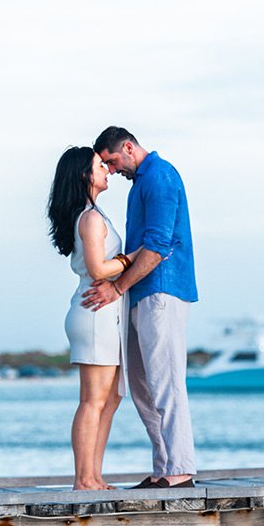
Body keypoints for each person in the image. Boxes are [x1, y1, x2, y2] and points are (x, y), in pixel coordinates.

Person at [82, 127, 198, 489]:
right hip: (141, 292)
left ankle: (180, 470)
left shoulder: (160, 177)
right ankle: (165, 467)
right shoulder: (141, 184)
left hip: (162, 291)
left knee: (166, 381)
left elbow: (158, 246)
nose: (112, 170)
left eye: (113, 161)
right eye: (106, 165)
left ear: (129, 147)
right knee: (143, 386)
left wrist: (117, 287)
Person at [47, 146, 141, 490]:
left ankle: (94, 475)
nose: (106, 169)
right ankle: (83, 479)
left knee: (111, 398)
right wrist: (132, 258)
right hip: (94, 314)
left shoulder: (94, 213)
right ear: (85, 175)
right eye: (99, 165)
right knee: (93, 399)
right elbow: (98, 268)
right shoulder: (89, 218)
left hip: (105, 313)